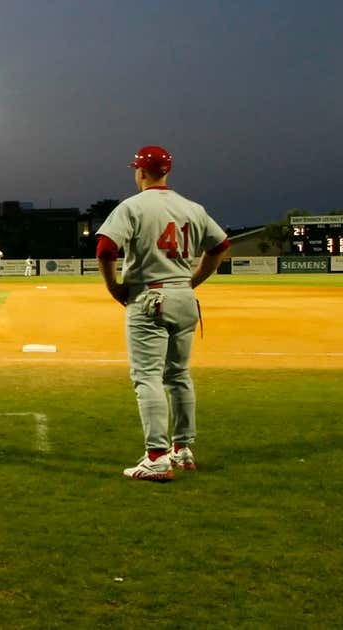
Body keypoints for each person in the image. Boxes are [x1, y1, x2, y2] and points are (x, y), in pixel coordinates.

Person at [95, 145, 229, 482]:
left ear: (140, 172)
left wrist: (114, 288)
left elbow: (106, 249)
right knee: (179, 375)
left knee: (147, 377)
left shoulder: (133, 206)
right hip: (184, 296)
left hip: (149, 296)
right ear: (166, 172)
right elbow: (220, 246)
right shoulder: (192, 207)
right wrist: (193, 280)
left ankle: (156, 456)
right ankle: (182, 449)